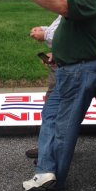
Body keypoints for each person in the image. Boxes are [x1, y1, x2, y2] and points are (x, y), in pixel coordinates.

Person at [0, 0, 96, 191]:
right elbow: (75, 31)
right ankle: (45, 169)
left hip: (79, 71)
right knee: (51, 118)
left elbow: (62, 5)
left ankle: (52, 179)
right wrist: (59, 52)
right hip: (66, 69)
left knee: (64, 125)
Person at [25, 15, 61, 160]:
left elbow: (72, 36)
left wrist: (45, 34)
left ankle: (50, 153)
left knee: (54, 110)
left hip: (67, 68)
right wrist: (44, 29)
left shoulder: (76, 1)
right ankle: (49, 148)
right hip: (61, 63)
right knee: (53, 109)